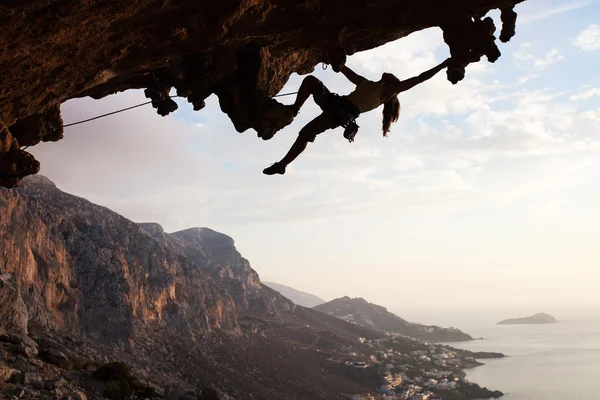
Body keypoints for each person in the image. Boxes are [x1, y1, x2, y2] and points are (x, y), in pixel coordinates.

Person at [262, 57, 451, 175]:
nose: (391, 74)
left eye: (394, 76)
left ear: (394, 86)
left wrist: (442, 65)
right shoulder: (367, 83)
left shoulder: (388, 92)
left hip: (341, 113)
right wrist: (334, 61)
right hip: (336, 103)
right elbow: (346, 71)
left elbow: (419, 78)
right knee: (311, 81)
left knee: (306, 132)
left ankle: (282, 165)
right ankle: (293, 111)